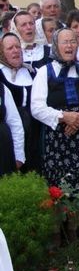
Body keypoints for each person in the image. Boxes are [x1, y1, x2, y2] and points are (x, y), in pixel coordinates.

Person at [31, 28, 79, 188]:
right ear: (55, 45)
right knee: (58, 185)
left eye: (73, 41)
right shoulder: (45, 72)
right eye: (65, 42)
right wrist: (64, 117)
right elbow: (37, 107)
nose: (69, 46)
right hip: (56, 139)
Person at [0, 33, 41, 173]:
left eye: (17, 47)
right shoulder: (1, 76)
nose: (15, 50)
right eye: (10, 48)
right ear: (2, 52)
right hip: (12, 130)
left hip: (35, 128)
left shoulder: (32, 72)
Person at [0, 35, 26, 177]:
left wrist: (19, 155)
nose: (15, 50)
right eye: (10, 48)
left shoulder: (2, 89)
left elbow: (15, 122)